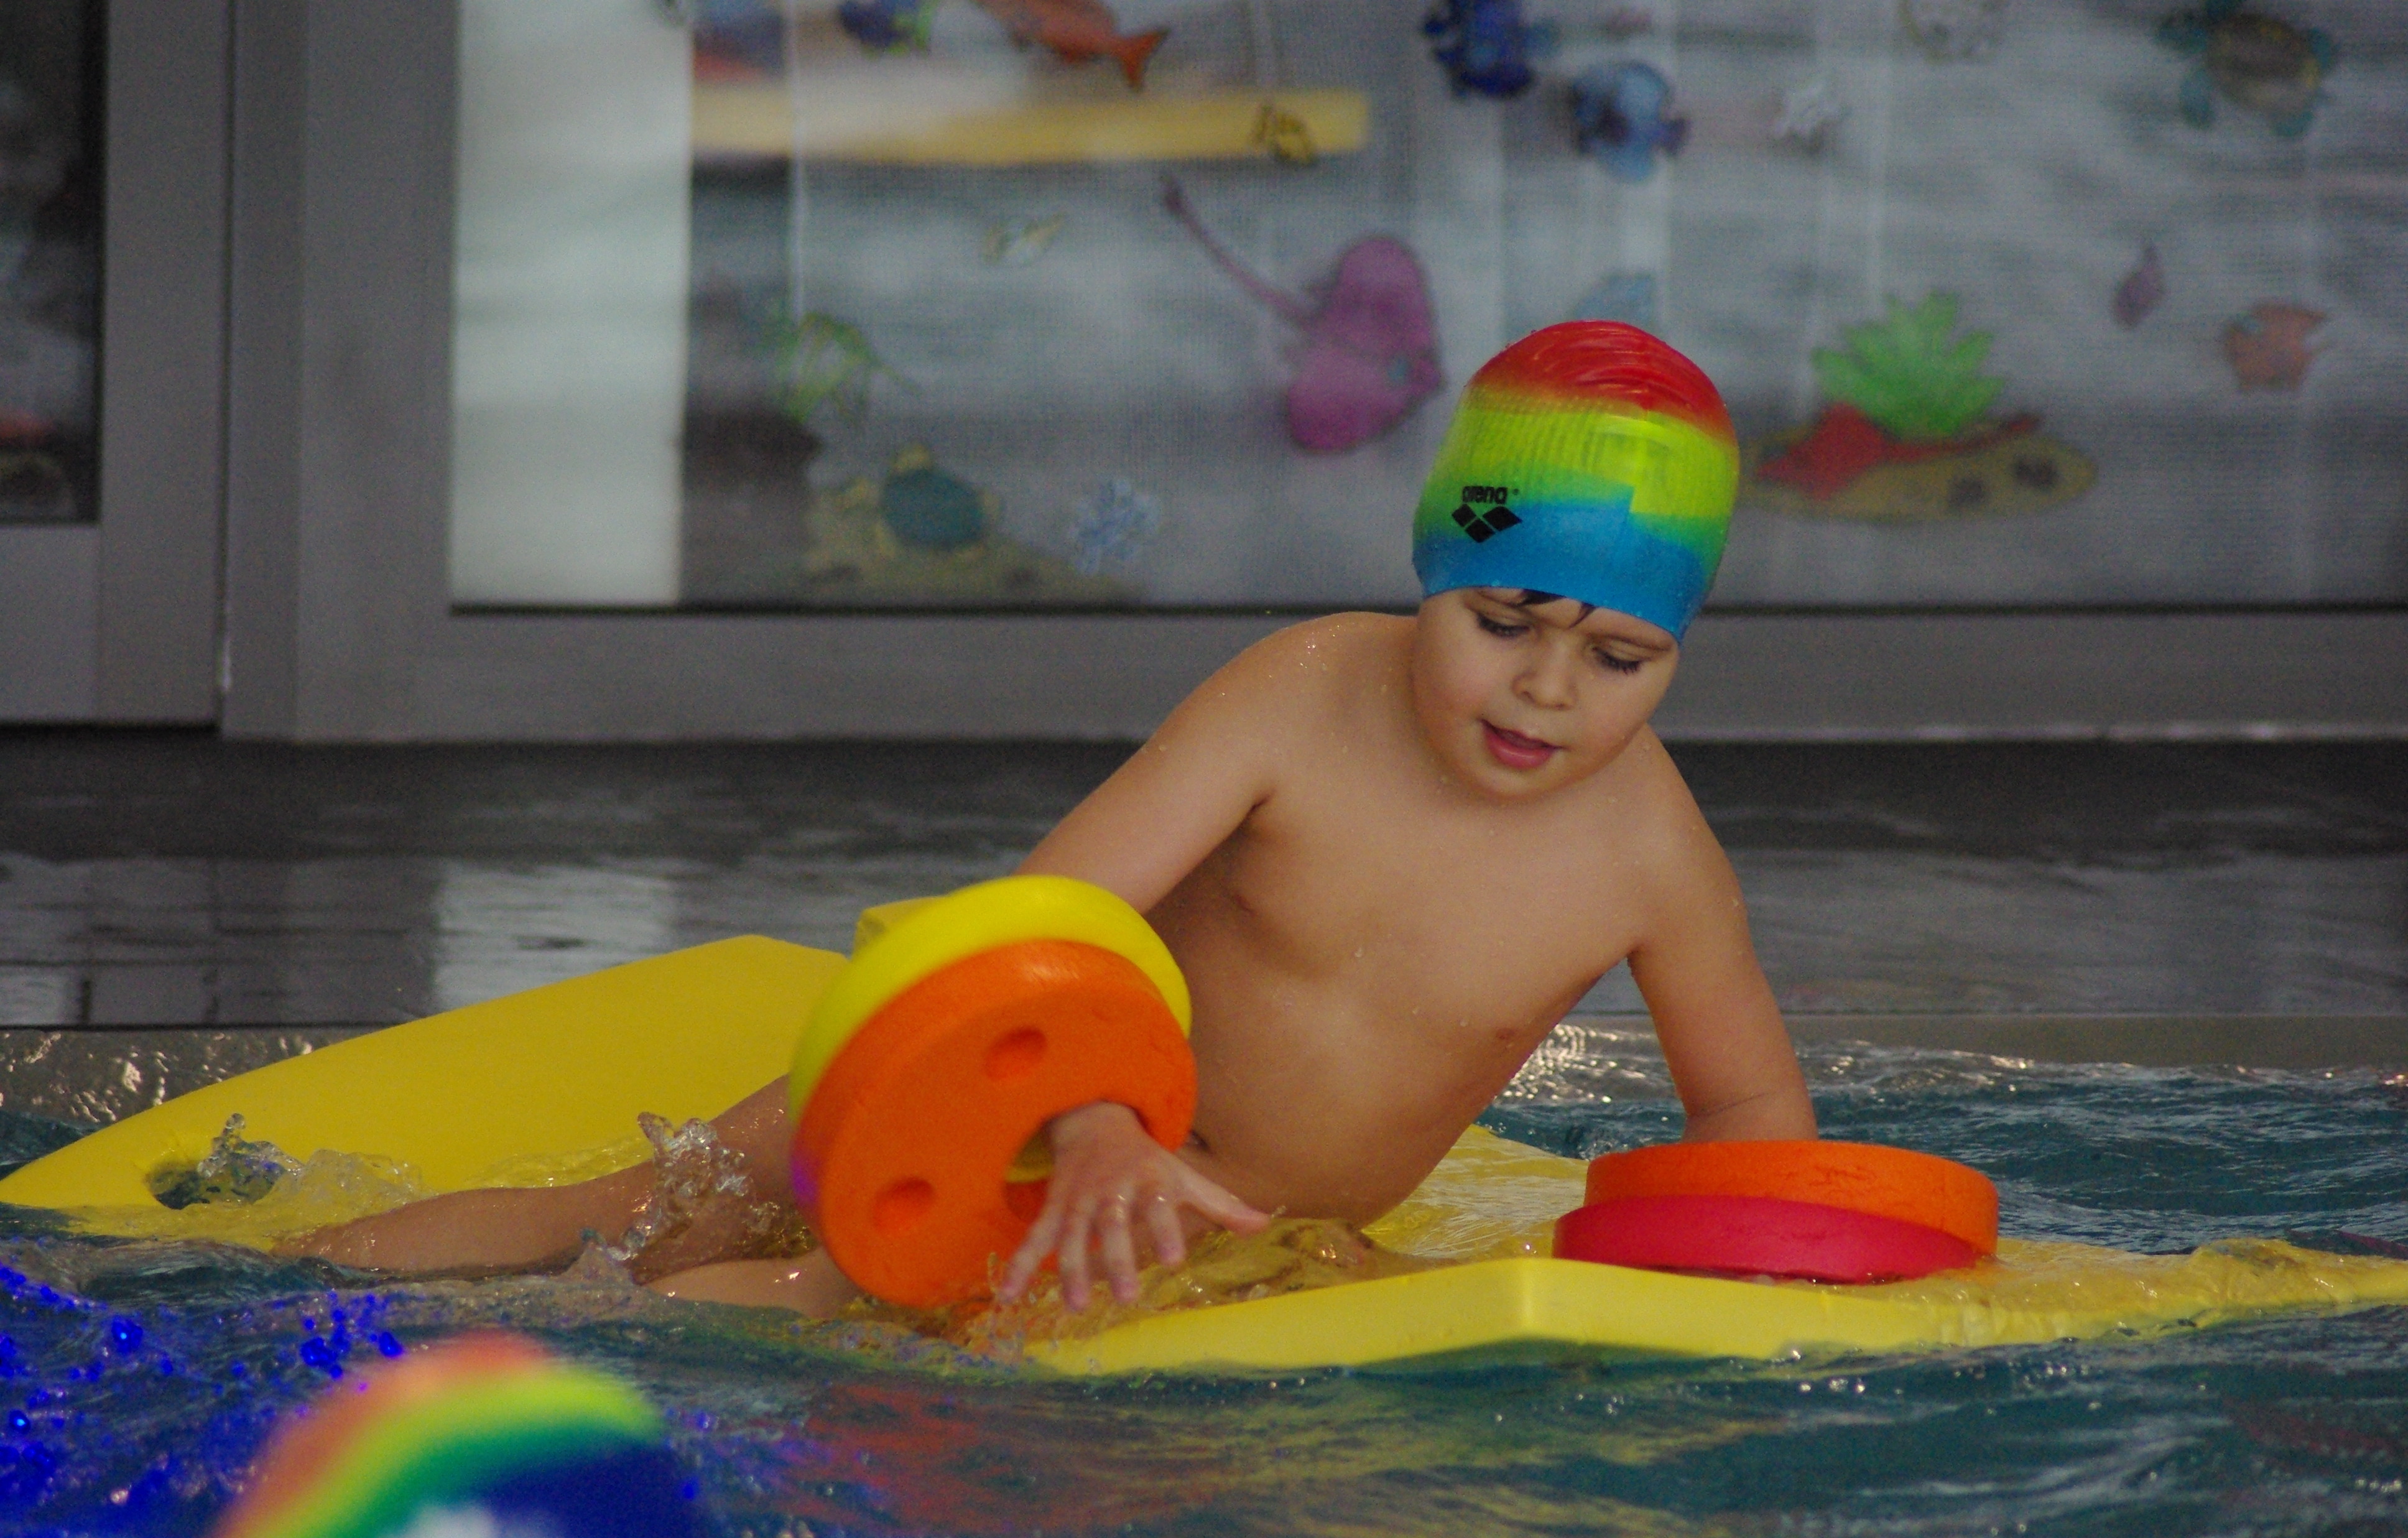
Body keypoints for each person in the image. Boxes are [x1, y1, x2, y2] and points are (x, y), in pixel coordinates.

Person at [291, 322, 1815, 1317]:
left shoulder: (1648, 854)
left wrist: (1765, 1268)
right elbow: (1039, 920)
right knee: (628, 1228)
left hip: (1204, 1229)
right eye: (1501, 622)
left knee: (805, 1310)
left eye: (1620, 659)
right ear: (1436, 573)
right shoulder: (1300, 697)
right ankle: (234, 1281)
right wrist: (1093, 1128)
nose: (1548, 687)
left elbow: (1746, 1105)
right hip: (998, 1082)